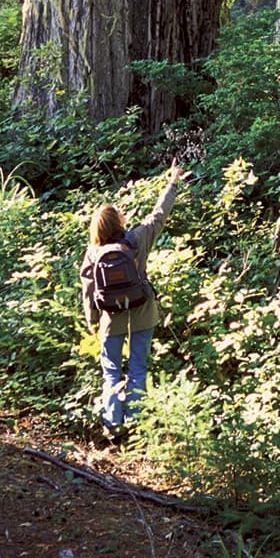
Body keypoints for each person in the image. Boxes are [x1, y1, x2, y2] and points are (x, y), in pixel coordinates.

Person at [80, 159, 188, 439]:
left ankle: (112, 425)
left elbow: (89, 291)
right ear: (119, 222)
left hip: (110, 319)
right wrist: (172, 182)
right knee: (138, 368)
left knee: (112, 372)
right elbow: (158, 215)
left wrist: (92, 321)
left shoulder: (93, 253)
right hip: (143, 313)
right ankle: (136, 427)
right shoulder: (138, 239)